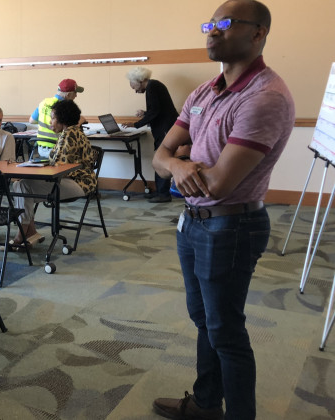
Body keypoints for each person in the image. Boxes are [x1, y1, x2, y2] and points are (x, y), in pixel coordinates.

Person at [151, 1, 294, 419]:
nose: (212, 32)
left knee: (226, 332)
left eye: (225, 24)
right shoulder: (203, 91)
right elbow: (159, 157)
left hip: (232, 226)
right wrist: (178, 161)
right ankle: (207, 404)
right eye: (209, 25)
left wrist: (179, 157)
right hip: (191, 223)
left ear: (258, 33)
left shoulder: (265, 96)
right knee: (203, 321)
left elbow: (217, 185)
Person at [9, 99, 96, 249]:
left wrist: (35, 171)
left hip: (79, 183)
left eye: (53, 118)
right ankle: (30, 233)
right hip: (75, 181)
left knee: (22, 186)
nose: (50, 121)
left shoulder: (70, 135)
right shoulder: (70, 132)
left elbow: (61, 169)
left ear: (63, 119)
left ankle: (21, 236)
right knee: (20, 186)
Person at [125, 67, 179, 203]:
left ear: (140, 80)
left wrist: (136, 124)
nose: (136, 91)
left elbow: (155, 111)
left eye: (134, 87)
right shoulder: (154, 86)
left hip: (165, 129)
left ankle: (163, 194)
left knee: (161, 159)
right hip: (165, 127)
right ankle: (160, 191)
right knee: (160, 158)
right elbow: (157, 109)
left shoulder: (152, 87)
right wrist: (145, 113)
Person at [29, 78, 86, 159]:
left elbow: (31, 120)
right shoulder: (65, 107)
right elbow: (73, 127)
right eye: (75, 93)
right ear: (68, 95)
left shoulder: (44, 102)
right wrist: (82, 119)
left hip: (40, 149)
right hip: (58, 149)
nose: (76, 95)